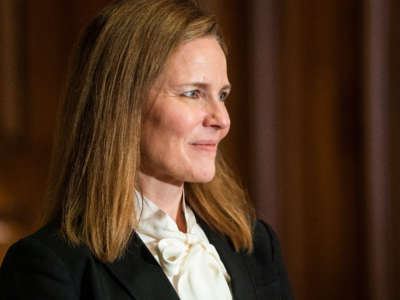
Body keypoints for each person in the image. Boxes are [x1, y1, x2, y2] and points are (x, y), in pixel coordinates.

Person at [0, 0, 293, 299]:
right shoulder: (51, 268)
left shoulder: (255, 245)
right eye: (193, 93)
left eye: (222, 95)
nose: (222, 120)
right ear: (121, 105)